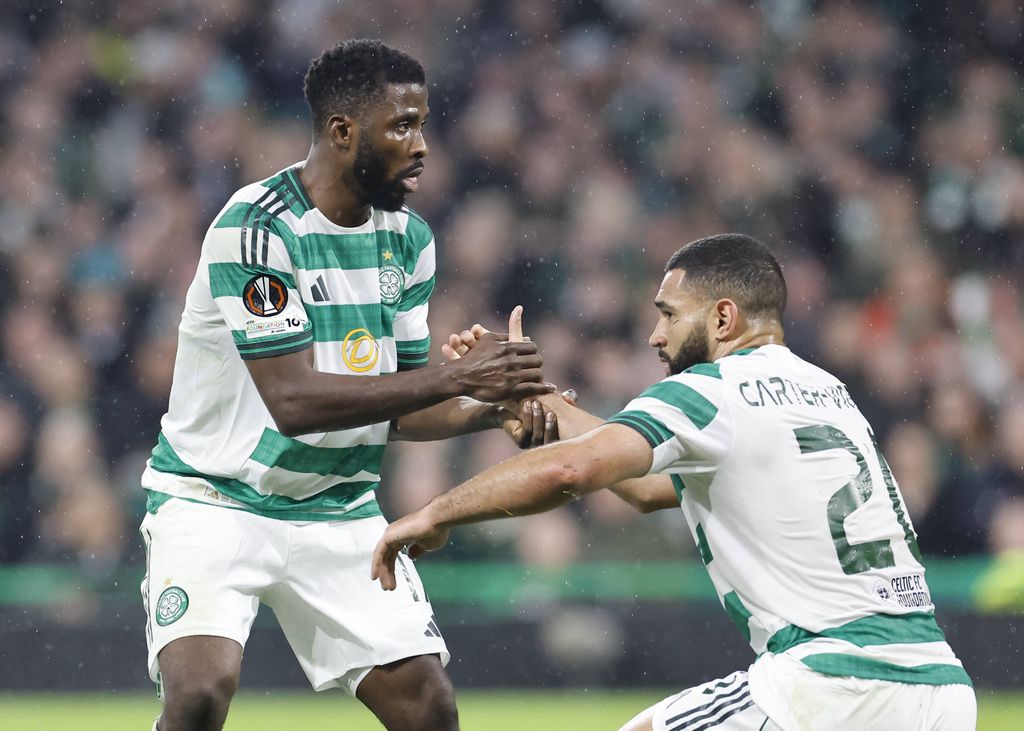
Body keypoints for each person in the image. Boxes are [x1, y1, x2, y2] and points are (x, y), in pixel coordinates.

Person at [373, 234, 977, 731]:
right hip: (941, 688)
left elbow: (570, 469)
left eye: (667, 315)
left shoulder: (713, 389)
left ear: (722, 317)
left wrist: (435, 512)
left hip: (832, 683)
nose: (656, 336)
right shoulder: (830, 395)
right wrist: (531, 394)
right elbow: (645, 488)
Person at [140, 39, 557, 731]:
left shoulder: (409, 240)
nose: (422, 145)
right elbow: (295, 401)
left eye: (423, 124)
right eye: (402, 126)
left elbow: (400, 405)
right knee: (200, 694)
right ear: (342, 132)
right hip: (214, 499)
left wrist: (491, 408)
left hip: (336, 509)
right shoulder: (257, 229)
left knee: (428, 705)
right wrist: (461, 374)